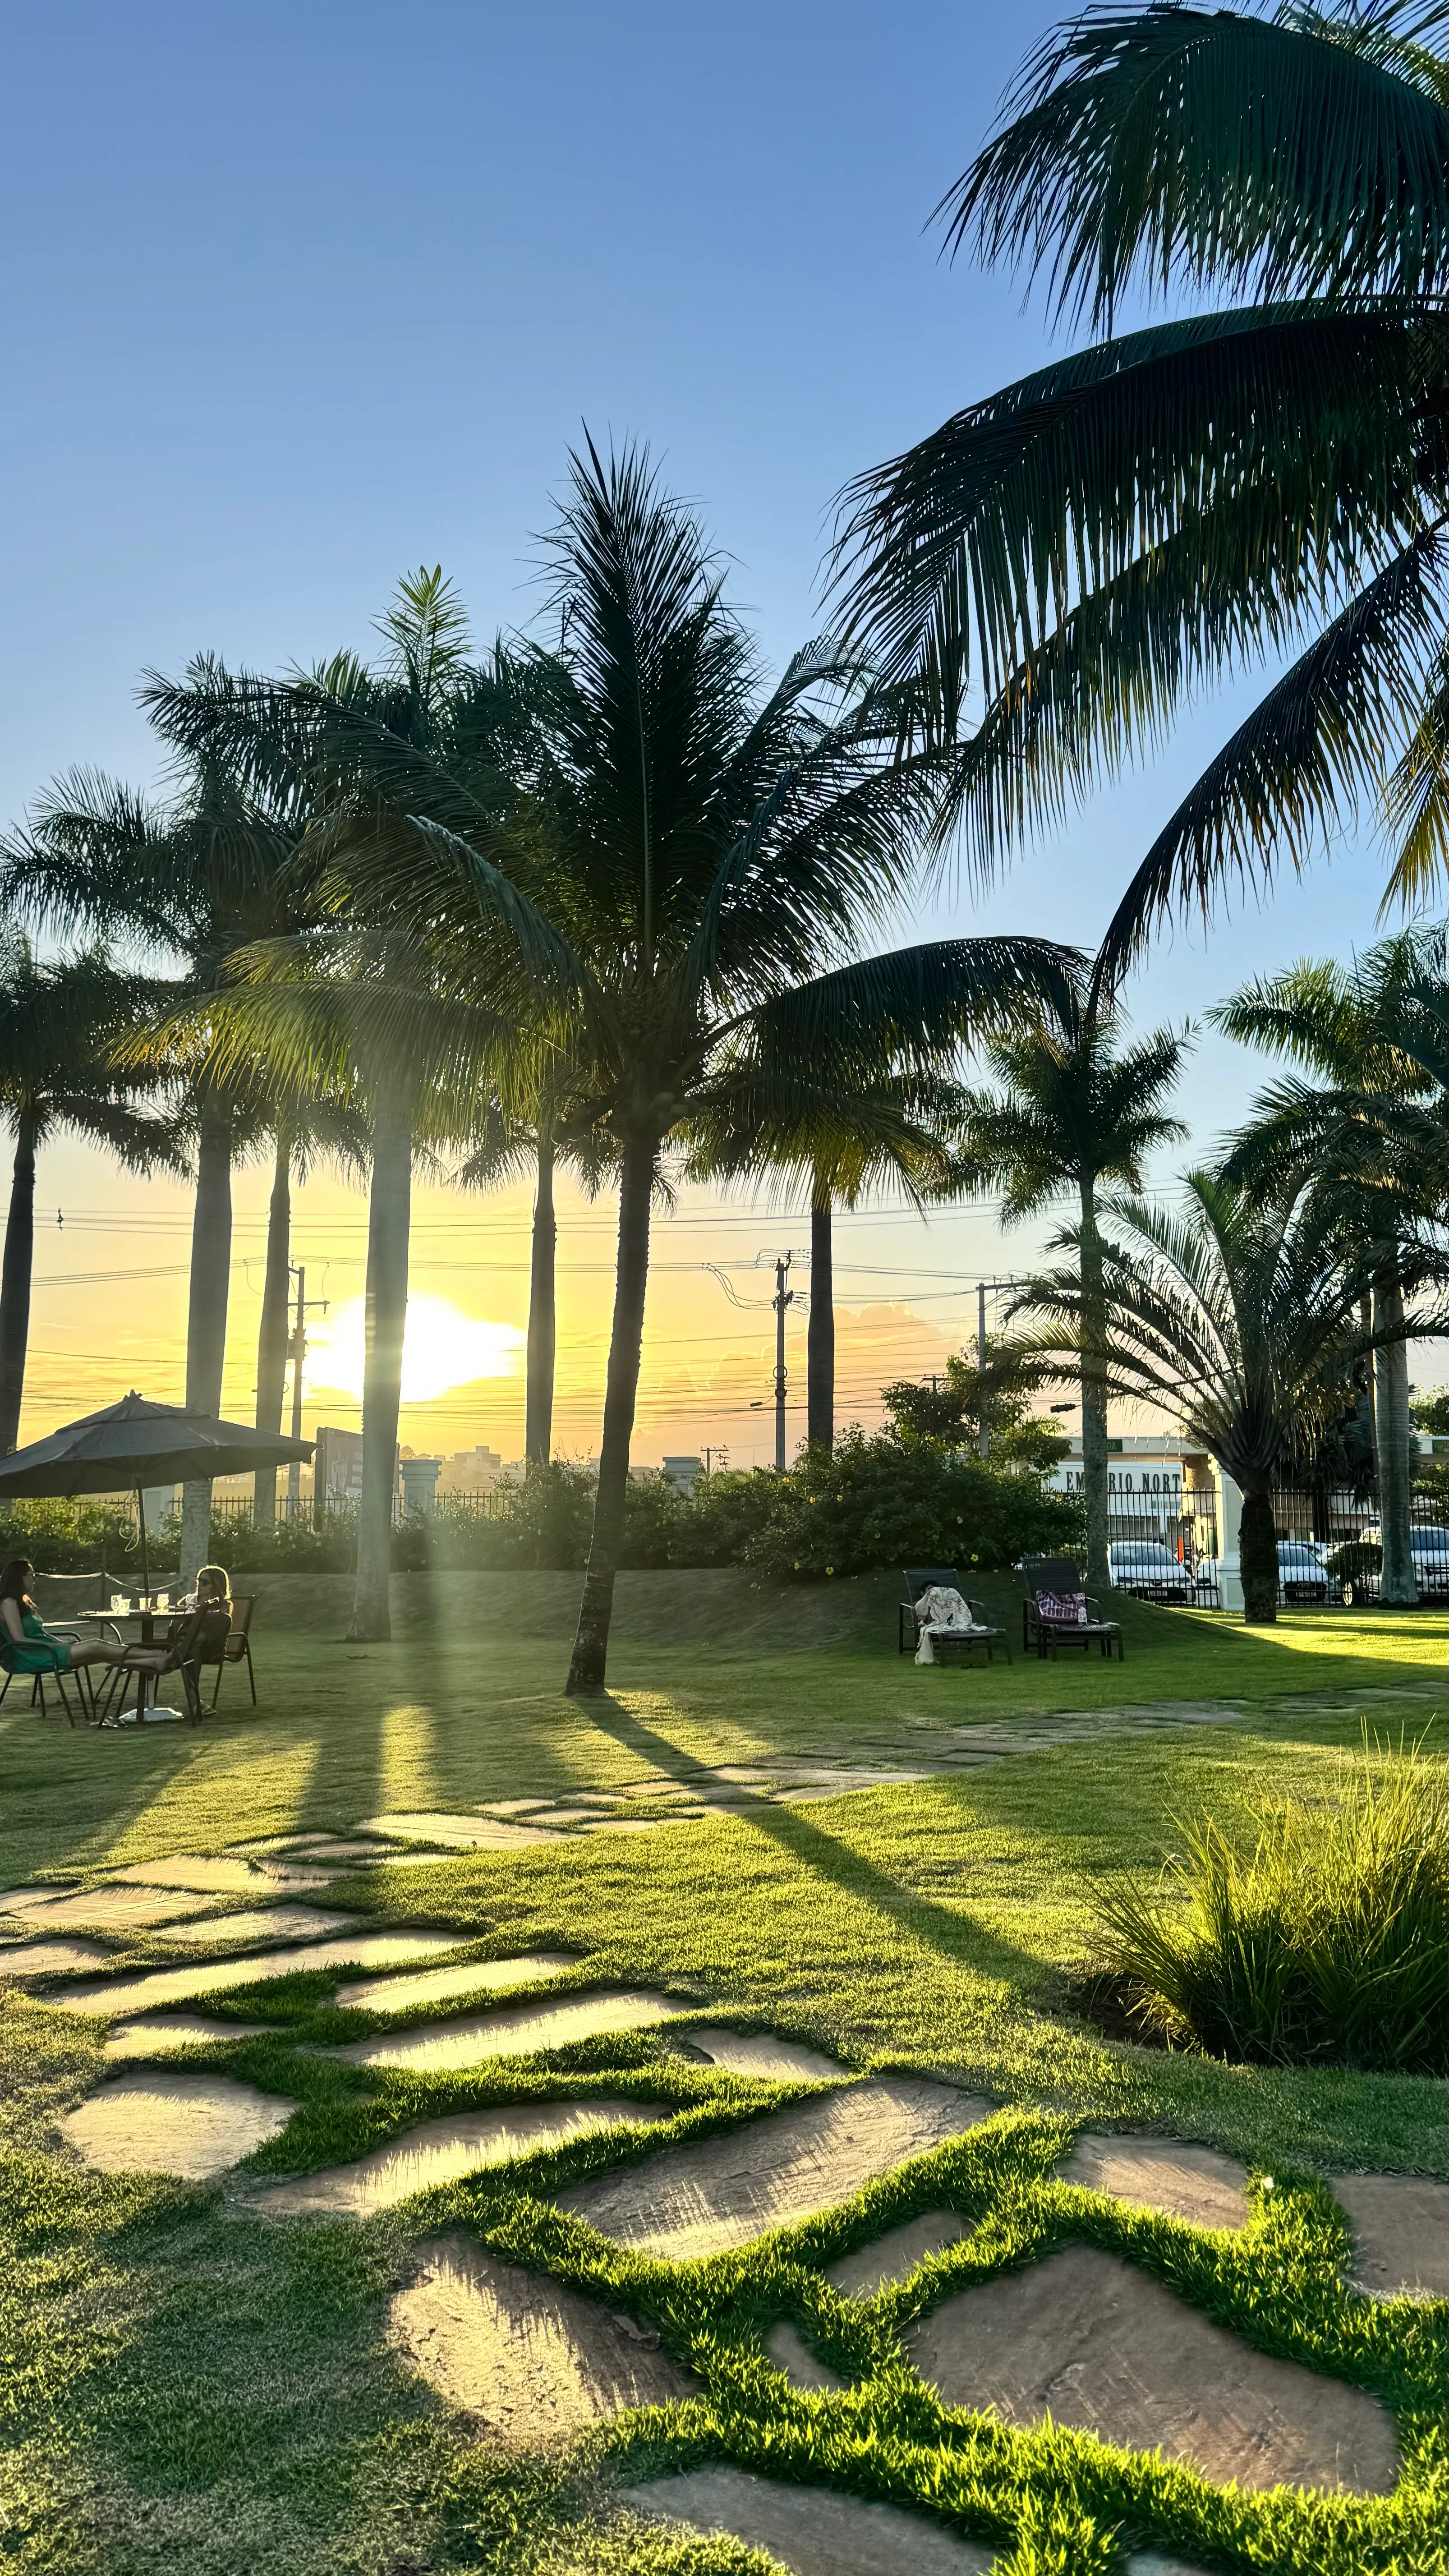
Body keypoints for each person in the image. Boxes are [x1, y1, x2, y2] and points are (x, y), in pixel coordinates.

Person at [115, 1564, 232, 1717]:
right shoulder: (189, 1600)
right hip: (187, 1646)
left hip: (210, 1648)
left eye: (205, 1582)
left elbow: (219, 1629)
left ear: (216, 1586)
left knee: (205, 1635)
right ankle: (195, 1703)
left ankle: (161, 1658)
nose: (200, 1586)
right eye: (199, 1581)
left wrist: (201, 1614)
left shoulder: (224, 1605)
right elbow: (175, 1622)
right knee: (191, 1651)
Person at [0, 1560, 128, 1684]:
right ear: (17, 1577)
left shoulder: (23, 1601)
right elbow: (19, 1640)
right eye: (32, 1575)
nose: (35, 1579)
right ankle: (145, 1654)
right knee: (96, 1645)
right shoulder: (8, 1603)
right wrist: (58, 1646)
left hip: (45, 1650)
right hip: (30, 1657)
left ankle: (145, 1660)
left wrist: (61, 1643)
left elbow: (42, 1634)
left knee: (101, 1653)